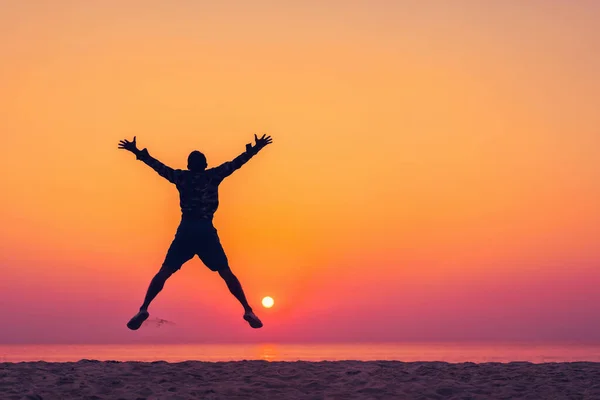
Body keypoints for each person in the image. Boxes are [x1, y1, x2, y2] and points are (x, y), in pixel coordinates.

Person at [118, 134, 273, 330]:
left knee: (165, 272)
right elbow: (237, 163)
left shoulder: (181, 177)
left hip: (187, 230)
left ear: (189, 165)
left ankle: (143, 308)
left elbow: (158, 167)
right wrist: (255, 149)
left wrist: (137, 152)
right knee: (226, 273)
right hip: (205, 230)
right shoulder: (213, 175)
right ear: (205, 164)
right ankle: (247, 310)